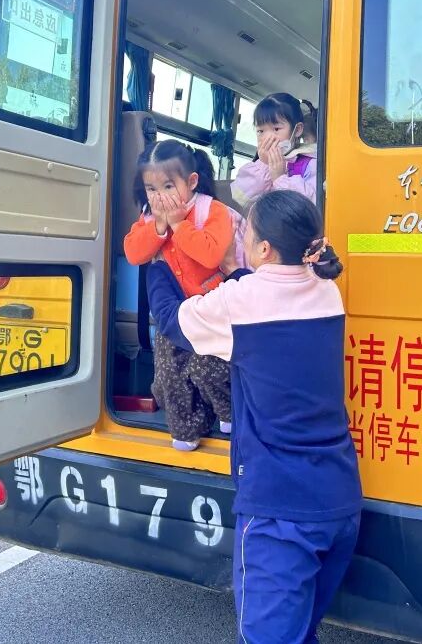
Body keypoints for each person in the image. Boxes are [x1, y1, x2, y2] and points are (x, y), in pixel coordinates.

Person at [146, 190, 361, 644]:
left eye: (246, 234)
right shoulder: (326, 289)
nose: (239, 238)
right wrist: (234, 271)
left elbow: (170, 320)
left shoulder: (241, 302)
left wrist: (157, 263)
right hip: (338, 497)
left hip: (280, 510)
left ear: (264, 248)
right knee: (300, 632)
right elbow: (265, 296)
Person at [123, 139, 233, 451]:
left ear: (192, 181)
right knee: (170, 372)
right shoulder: (149, 217)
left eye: (168, 186)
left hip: (212, 309)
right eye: (151, 189)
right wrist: (159, 226)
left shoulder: (212, 210)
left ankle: (229, 412)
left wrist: (179, 225)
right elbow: (133, 253)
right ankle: (186, 429)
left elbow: (211, 255)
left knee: (209, 367)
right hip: (173, 311)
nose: (160, 197)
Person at [232, 92, 318, 210]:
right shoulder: (258, 167)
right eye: (261, 131)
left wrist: (280, 178)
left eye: (276, 129)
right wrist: (265, 165)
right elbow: (242, 199)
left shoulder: (310, 164)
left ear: (297, 130)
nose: (268, 138)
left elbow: (310, 206)